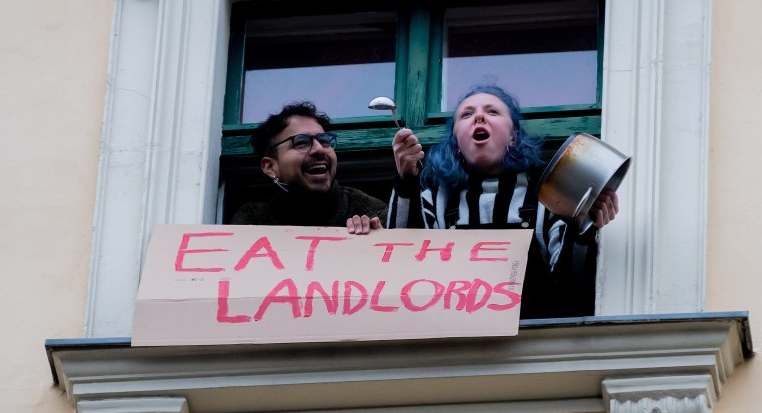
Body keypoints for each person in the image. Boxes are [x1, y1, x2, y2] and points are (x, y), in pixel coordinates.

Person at [387, 85, 618, 319]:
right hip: (452, 342)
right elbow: (403, 268)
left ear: (513, 136)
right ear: (456, 142)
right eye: (466, 114)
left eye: (493, 112)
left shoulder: (547, 196)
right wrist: (406, 182)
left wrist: (584, 232)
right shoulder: (437, 198)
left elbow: (572, 290)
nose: (479, 116)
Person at [230, 102, 387, 234]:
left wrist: (376, 242)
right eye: (301, 143)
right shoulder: (253, 220)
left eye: (324, 140)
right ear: (270, 167)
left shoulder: (366, 209)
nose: (319, 149)